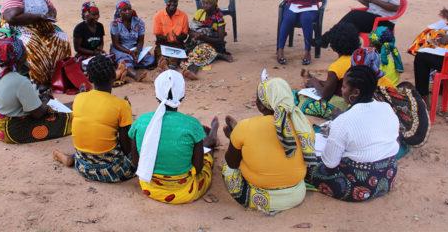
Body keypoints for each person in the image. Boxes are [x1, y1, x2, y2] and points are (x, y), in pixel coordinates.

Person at [305, 65, 400, 202]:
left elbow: (330, 163)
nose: (341, 90)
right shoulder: (386, 108)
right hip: (388, 175)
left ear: (354, 93)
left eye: (343, 87)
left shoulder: (344, 121)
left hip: (361, 185)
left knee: (308, 164)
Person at [222, 76, 315, 214]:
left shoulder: (247, 126)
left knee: (228, 168)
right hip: (297, 194)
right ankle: (239, 140)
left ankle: (236, 139)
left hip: (260, 197)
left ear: (260, 105)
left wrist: (233, 141)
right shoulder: (302, 123)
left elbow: (232, 163)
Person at [129, 70, 219, 204]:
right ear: (182, 96)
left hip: (150, 187)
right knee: (207, 159)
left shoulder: (141, 121)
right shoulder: (191, 123)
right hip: (185, 191)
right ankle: (209, 142)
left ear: (156, 95)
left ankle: (207, 141)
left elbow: (136, 163)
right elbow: (198, 168)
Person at [52, 55, 136, 182]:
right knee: (139, 141)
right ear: (114, 76)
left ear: (89, 78)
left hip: (83, 165)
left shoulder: (79, 98)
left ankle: (71, 159)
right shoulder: (122, 105)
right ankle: (72, 159)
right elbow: (127, 148)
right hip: (113, 170)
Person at [0, 38, 72, 144]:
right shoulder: (20, 81)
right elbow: (38, 114)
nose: (26, 53)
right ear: (19, 56)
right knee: (65, 119)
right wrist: (46, 100)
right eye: (24, 50)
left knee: (55, 108)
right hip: (12, 131)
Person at [1, 0, 71, 89]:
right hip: (21, 29)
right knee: (35, 45)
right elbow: (11, 18)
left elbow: (52, 11)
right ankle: (40, 80)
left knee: (61, 38)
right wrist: (37, 17)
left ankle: (58, 76)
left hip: (42, 27)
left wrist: (47, 16)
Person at [179, 0, 233, 80]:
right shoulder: (200, 13)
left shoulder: (219, 18)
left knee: (199, 53)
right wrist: (196, 35)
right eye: (204, 3)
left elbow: (220, 39)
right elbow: (190, 30)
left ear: (215, 4)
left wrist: (203, 38)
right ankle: (218, 55)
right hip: (197, 41)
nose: (204, 5)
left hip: (213, 43)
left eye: (208, 3)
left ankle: (192, 71)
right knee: (184, 53)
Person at [110, 0, 154, 82]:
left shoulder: (139, 22)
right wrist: (129, 52)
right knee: (126, 60)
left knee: (150, 60)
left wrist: (138, 50)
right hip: (120, 49)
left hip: (134, 48)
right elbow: (116, 44)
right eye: (124, 10)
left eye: (129, 9)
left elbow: (140, 41)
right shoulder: (115, 24)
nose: (127, 12)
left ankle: (126, 67)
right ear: (119, 12)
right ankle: (135, 75)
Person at [153, 0, 189, 73]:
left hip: (178, 44)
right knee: (161, 56)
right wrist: (167, 38)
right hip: (163, 44)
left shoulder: (183, 16)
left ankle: (168, 67)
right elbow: (158, 37)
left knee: (175, 60)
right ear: (166, 2)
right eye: (170, 1)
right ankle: (165, 65)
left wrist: (177, 38)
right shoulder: (158, 16)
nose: (173, 4)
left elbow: (184, 35)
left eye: (175, 1)